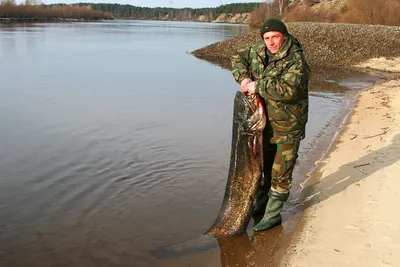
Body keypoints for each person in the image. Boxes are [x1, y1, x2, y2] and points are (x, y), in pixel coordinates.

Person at [231, 18, 310, 231]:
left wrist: (259, 86)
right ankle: (262, 204)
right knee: (264, 168)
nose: (271, 42)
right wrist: (244, 77)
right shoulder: (258, 50)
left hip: (288, 126)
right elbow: (237, 57)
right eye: (267, 38)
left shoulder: (296, 59)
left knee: (281, 173)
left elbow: (289, 89)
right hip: (264, 125)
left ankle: (273, 215)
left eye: (275, 37)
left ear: (284, 36)